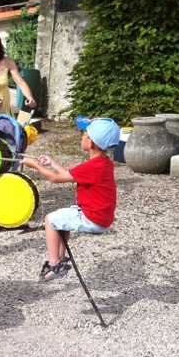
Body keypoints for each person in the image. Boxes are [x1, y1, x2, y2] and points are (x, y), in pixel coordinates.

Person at [21, 117, 120, 282]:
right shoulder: (102, 163)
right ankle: (61, 259)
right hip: (100, 216)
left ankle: (54, 264)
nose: (81, 138)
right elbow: (71, 176)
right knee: (63, 218)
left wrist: (36, 166)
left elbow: (55, 179)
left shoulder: (93, 166)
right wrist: (52, 163)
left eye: (83, 135)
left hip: (93, 218)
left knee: (50, 220)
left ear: (91, 143)